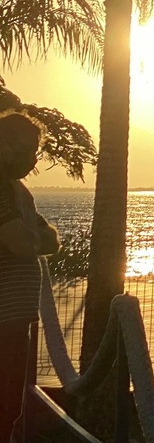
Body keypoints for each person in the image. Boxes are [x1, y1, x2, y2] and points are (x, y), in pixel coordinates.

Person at [0, 111, 59, 441]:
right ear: (5, 144)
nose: (33, 158)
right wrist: (29, 237)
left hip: (14, 323)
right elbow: (23, 243)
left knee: (10, 409)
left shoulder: (19, 192)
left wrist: (29, 236)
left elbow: (51, 240)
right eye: (28, 148)